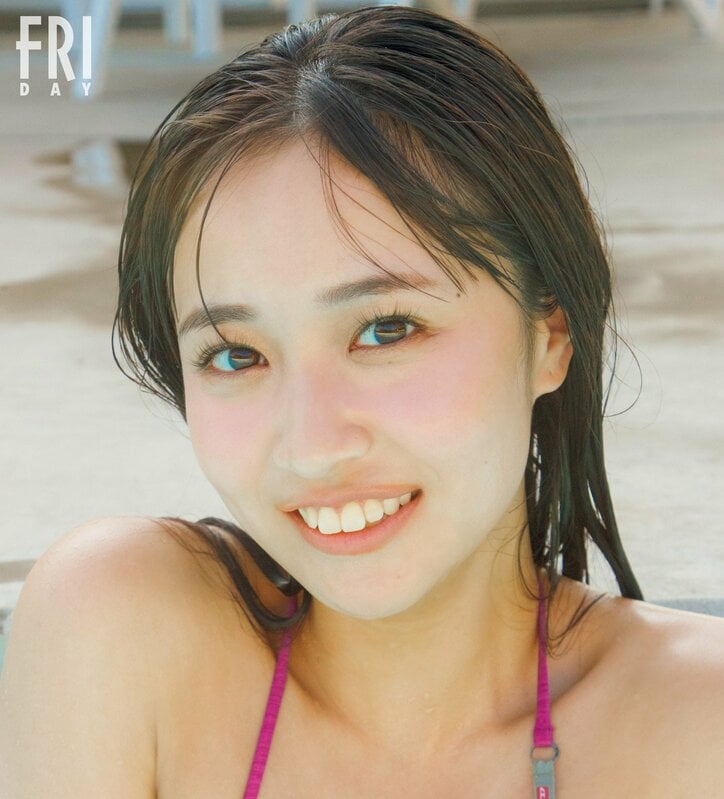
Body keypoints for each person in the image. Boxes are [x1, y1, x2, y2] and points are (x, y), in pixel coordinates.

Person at [1, 6, 722, 797]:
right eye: (236, 354)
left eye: (386, 330)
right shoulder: (121, 637)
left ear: (550, 335)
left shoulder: (697, 727)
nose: (313, 446)